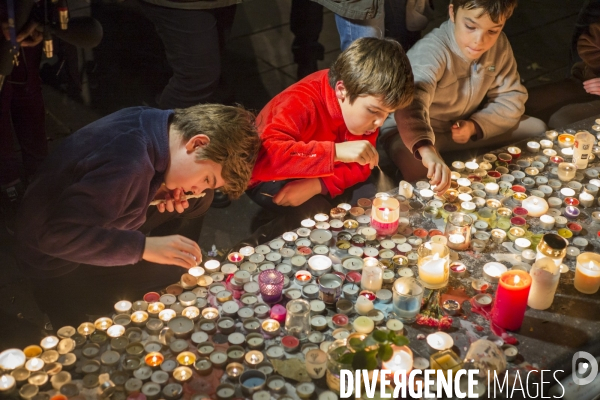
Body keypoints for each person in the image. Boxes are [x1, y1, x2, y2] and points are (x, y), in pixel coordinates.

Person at [15, 104, 260, 330]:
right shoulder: (130, 164)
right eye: (207, 179)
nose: (198, 188)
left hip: (77, 222)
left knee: (197, 204)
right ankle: (60, 310)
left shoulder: (157, 124)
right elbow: (53, 237)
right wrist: (143, 247)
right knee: (175, 274)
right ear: (197, 143)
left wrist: (153, 191)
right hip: (55, 264)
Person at [246, 37, 448, 235]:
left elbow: (361, 166)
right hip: (269, 175)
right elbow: (263, 159)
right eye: (374, 111)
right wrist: (335, 152)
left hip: (318, 169)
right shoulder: (299, 103)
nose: (380, 122)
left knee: (344, 206)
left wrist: (318, 185)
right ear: (342, 90)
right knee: (316, 216)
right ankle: (268, 234)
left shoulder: (364, 106)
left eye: (388, 114)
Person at [381, 0, 546, 182]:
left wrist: (476, 126)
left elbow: (511, 99)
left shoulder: (499, 46)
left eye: (492, 31)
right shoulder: (431, 52)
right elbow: (410, 105)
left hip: (460, 130)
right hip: (413, 135)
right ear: (452, 12)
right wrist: (426, 148)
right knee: (424, 174)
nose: (479, 41)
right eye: (470, 26)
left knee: (537, 128)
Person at [0, 1, 47, 234]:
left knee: (26, 87)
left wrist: (38, 15)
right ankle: (9, 184)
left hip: (25, 11)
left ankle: (41, 175)